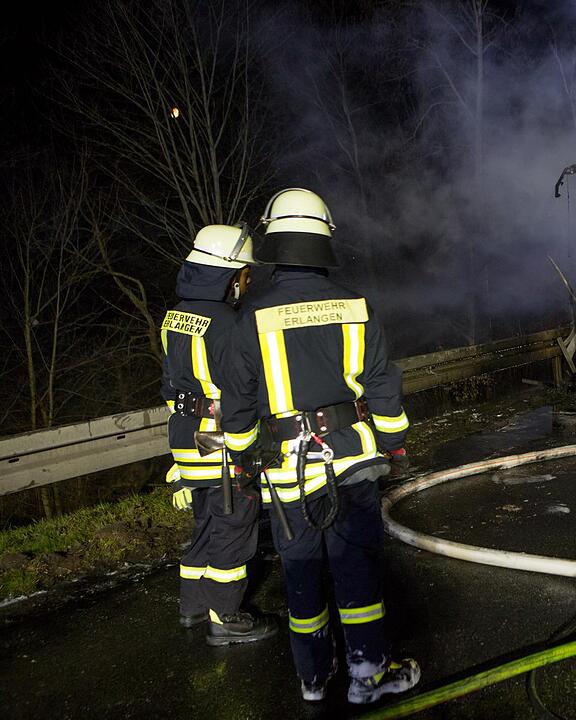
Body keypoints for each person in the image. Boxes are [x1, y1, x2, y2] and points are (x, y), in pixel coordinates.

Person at [221, 188, 419, 704]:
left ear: (274, 241)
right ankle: (368, 678)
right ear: (324, 240)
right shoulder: (356, 307)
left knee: (301, 574)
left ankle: (312, 679)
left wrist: (243, 460)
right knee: (357, 570)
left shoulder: (250, 316)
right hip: (351, 462)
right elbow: (383, 385)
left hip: (285, 474)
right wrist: (394, 444)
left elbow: (238, 406)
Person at [161, 224, 276, 646]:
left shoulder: (175, 316)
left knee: (206, 524)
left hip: (186, 438)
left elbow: (169, 387)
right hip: (222, 441)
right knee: (235, 526)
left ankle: (192, 606)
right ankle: (224, 617)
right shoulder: (228, 322)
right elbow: (242, 389)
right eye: (245, 273)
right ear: (227, 274)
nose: (248, 281)